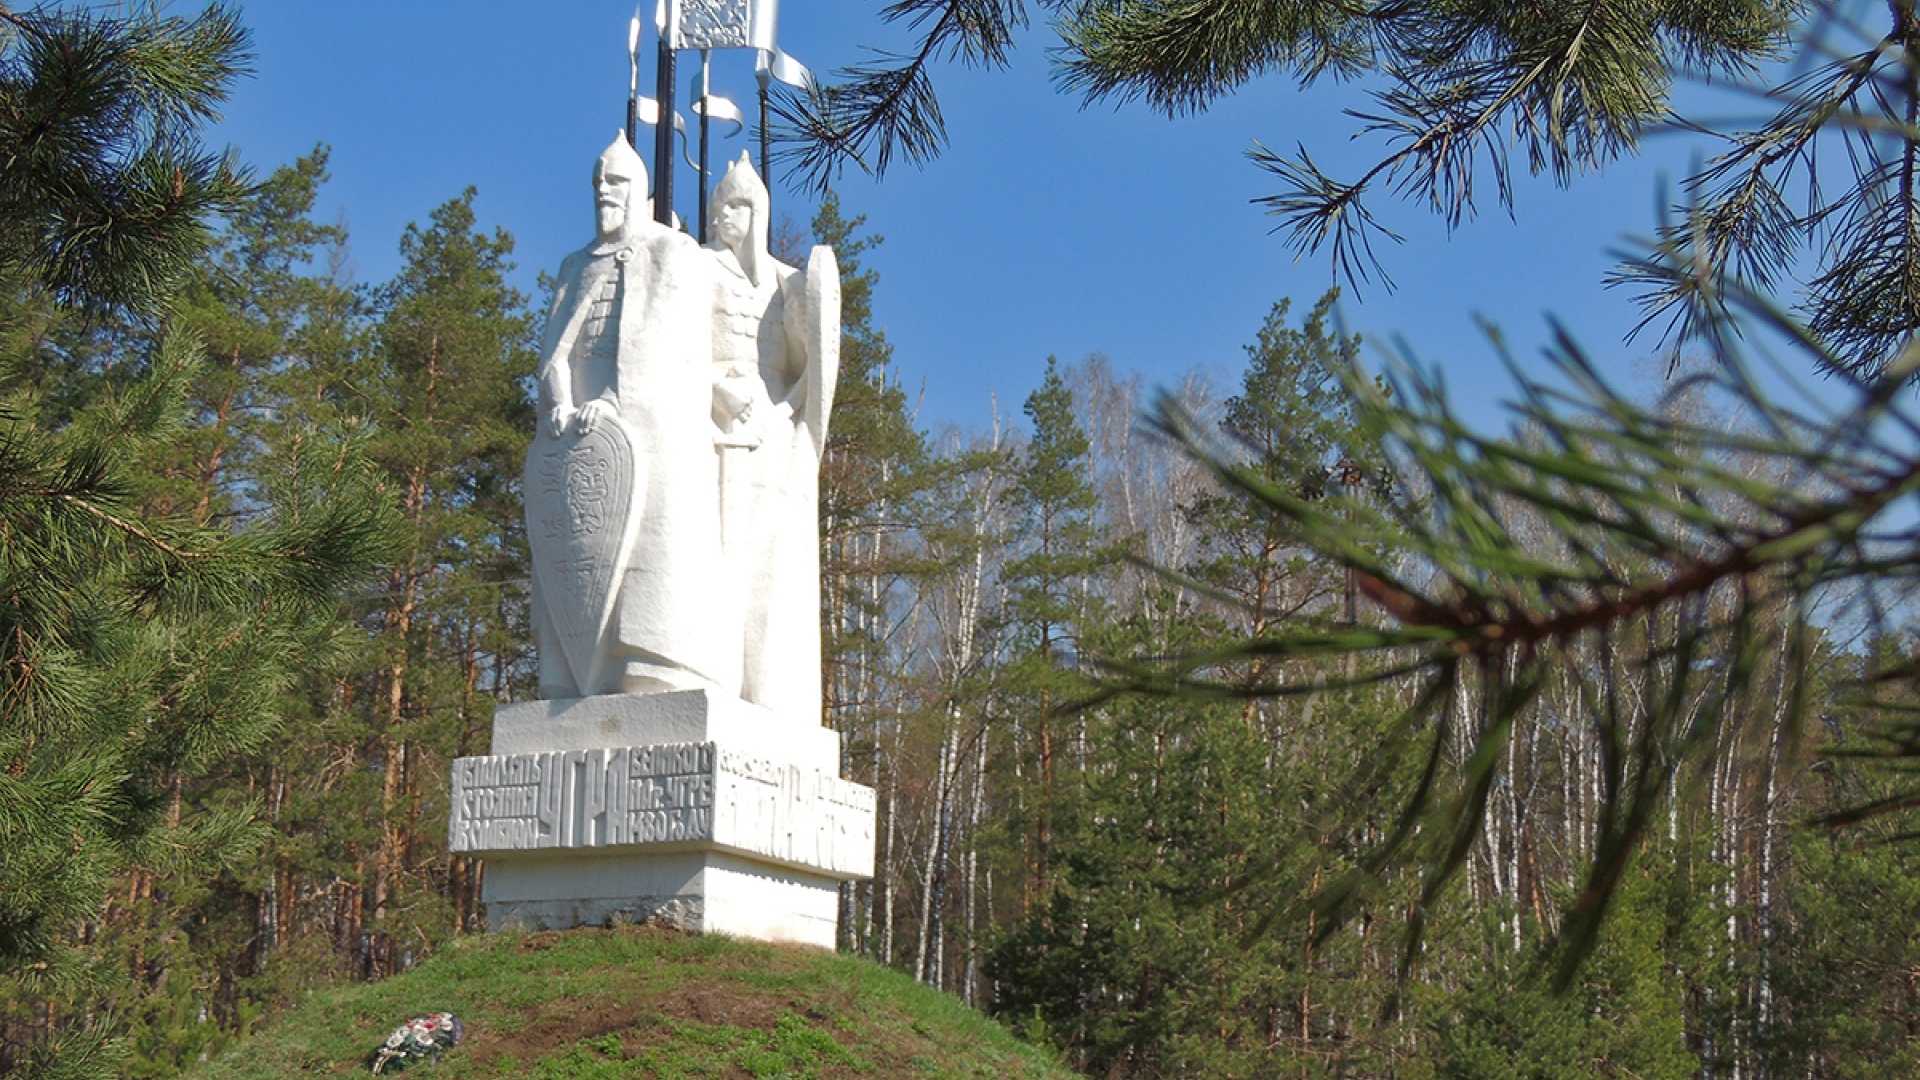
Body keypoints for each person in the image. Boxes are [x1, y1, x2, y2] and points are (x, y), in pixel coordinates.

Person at [527, 134, 732, 699]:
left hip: (650, 424)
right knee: (574, 545)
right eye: (598, 181)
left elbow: (671, 345)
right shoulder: (575, 265)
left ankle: (651, 667)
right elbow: (554, 349)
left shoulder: (673, 252)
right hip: (575, 429)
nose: (603, 190)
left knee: (654, 555)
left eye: (615, 181)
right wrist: (560, 400)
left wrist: (618, 401)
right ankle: (569, 674)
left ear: (639, 190)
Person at [704, 152, 839, 723]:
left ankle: (766, 689)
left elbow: (815, 363)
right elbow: (671, 346)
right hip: (708, 426)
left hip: (773, 435)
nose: (723, 217)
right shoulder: (695, 269)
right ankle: (711, 669)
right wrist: (716, 390)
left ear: (757, 212)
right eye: (719, 206)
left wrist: (782, 412)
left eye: (736, 206)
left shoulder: (787, 282)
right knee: (713, 559)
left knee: (769, 564)